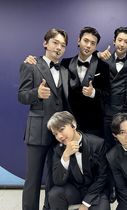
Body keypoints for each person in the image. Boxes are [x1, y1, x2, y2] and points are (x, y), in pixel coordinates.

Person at [18, 28, 69, 210]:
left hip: (59, 135)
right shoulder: (31, 64)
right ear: (45, 43)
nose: (59, 48)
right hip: (37, 131)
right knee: (33, 179)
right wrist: (36, 93)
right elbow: (22, 96)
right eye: (55, 42)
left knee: (54, 179)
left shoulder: (64, 70)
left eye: (63, 45)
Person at [47, 111, 110, 210]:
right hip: (74, 190)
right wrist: (65, 156)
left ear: (73, 125)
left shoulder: (98, 144)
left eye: (62, 129)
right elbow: (58, 181)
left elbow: (102, 177)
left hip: (95, 191)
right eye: (55, 134)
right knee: (55, 194)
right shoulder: (58, 150)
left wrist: (86, 203)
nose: (59, 136)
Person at [62, 26, 110, 138]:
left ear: (96, 47)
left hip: (94, 124)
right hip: (69, 122)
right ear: (79, 40)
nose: (88, 45)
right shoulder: (65, 63)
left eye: (93, 43)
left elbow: (107, 94)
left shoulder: (103, 66)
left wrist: (93, 93)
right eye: (86, 41)